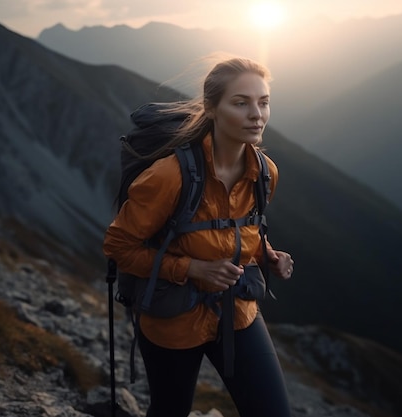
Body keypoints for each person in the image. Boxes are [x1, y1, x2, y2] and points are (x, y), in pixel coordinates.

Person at [103, 56, 294, 417]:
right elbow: (117, 246)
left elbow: (243, 229)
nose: (257, 114)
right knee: (170, 410)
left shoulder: (264, 172)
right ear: (212, 108)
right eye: (241, 103)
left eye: (263, 102)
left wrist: (265, 253)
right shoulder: (168, 176)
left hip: (237, 312)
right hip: (171, 319)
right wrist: (191, 269)